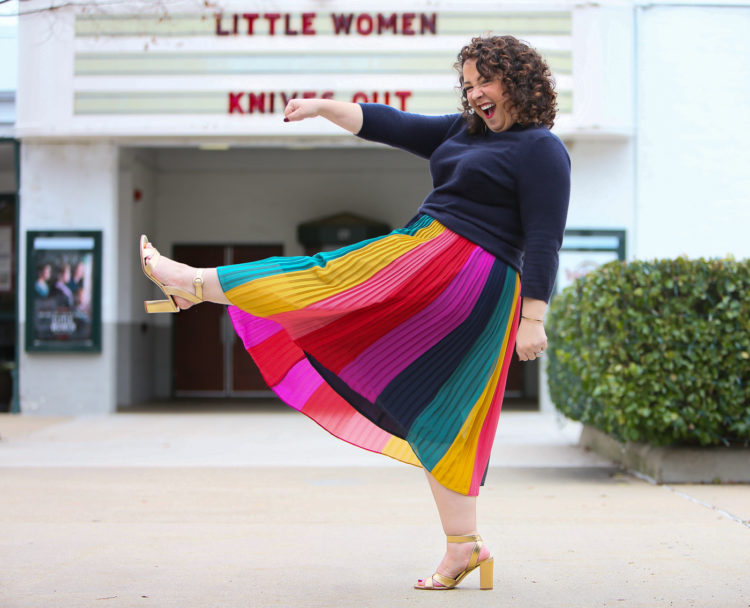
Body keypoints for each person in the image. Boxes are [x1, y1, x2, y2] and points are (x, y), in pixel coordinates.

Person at [140, 34, 570, 591]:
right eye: (467, 85)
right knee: (435, 406)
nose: (475, 94)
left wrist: (533, 317)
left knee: (335, 286)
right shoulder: (460, 131)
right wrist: (321, 107)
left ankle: (193, 282)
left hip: (474, 279)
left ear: (516, 80)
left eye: (484, 81)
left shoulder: (541, 148)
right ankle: (465, 545)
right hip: (432, 255)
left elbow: (545, 237)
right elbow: (386, 122)